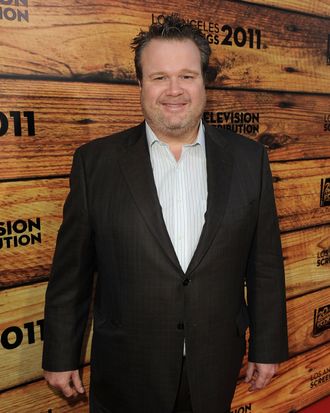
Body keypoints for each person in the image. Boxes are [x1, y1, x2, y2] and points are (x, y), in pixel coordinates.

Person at [43, 14, 288, 413]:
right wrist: (59, 352)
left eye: (187, 76)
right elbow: (71, 271)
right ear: (140, 83)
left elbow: (264, 265)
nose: (174, 90)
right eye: (159, 77)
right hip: (127, 370)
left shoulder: (249, 159)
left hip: (215, 366)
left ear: (204, 81)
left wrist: (268, 345)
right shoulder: (95, 163)